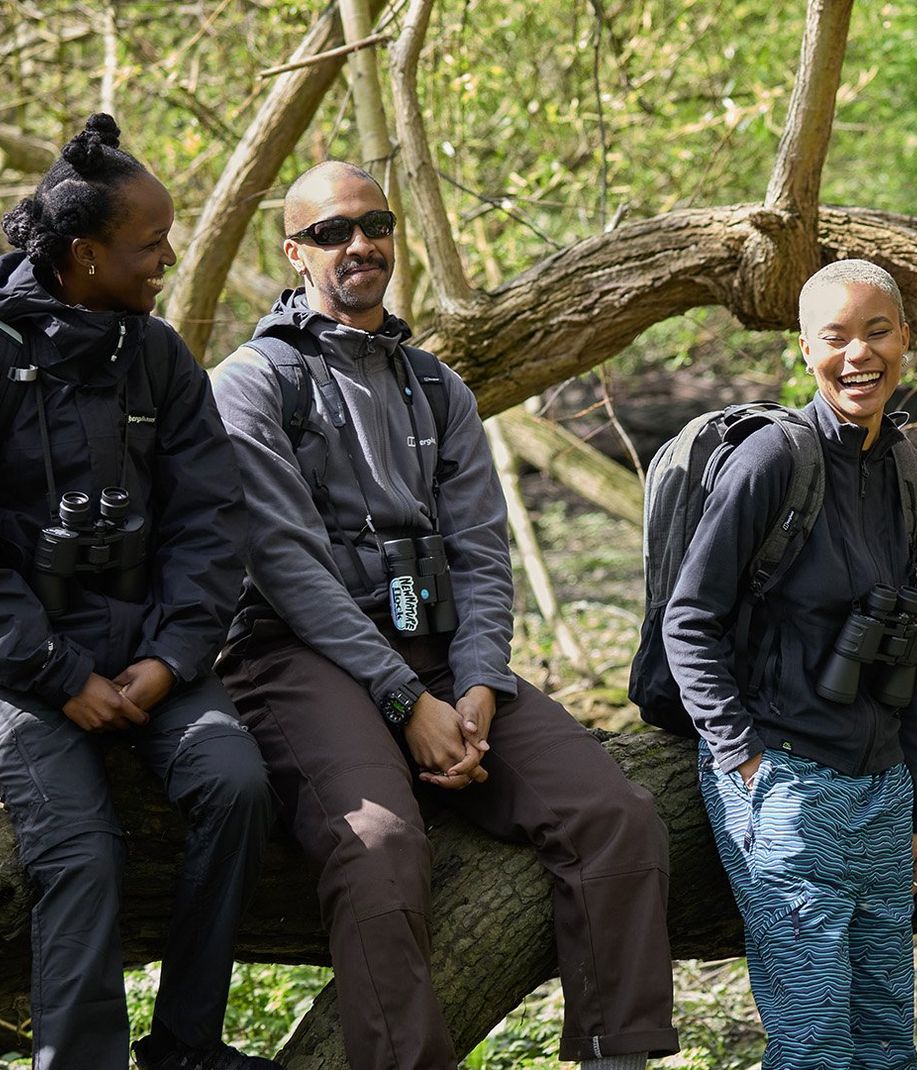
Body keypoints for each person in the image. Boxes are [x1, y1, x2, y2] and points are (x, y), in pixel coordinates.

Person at [209, 161, 678, 1070]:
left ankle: (615, 1052)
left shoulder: (438, 387)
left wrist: (476, 682)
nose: (360, 245)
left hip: (436, 649)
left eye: (375, 224)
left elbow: (480, 549)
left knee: (615, 813)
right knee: (381, 847)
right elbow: (288, 570)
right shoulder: (252, 384)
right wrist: (402, 703)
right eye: (332, 232)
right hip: (298, 655)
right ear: (293, 251)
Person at [0, 115, 279, 1070]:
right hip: (20, 669)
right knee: (79, 851)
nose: (169, 258)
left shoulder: (159, 358)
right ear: (83, 255)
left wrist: (168, 661)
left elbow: (212, 523)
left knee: (236, 785)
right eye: (150, 243)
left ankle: (187, 1046)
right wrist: (56, 671)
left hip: (150, 650)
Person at [663, 259, 917, 1069]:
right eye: (837, 337)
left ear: (907, 340)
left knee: (889, 1037)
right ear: (805, 351)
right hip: (783, 777)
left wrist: (916, 804)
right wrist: (742, 759)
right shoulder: (772, 462)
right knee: (815, 1040)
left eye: (878, 332)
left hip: (882, 788)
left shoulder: (915, 481)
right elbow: (691, 617)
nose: (860, 354)